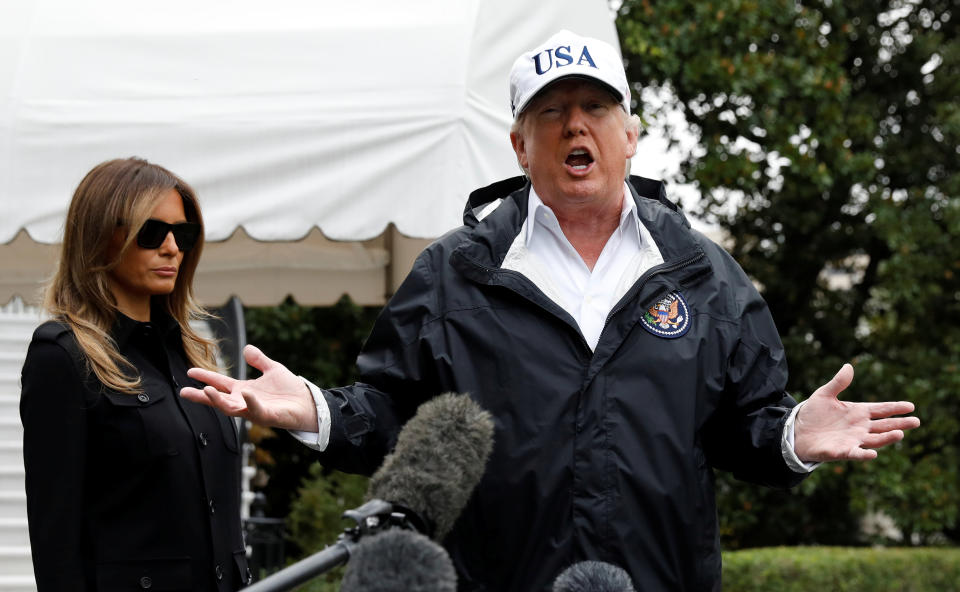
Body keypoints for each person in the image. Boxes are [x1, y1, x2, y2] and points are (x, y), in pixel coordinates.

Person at [181, 31, 920, 591]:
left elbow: (745, 426)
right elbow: (393, 415)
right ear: (519, 145)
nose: (576, 126)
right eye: (552, 111)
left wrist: (792, 434)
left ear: (629, 136)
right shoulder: (455, 273)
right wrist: (314, 410)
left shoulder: (702, 275)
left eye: (596, 107)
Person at [20, 158, 252, 591]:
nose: (171, 248)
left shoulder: (193, 355)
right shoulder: (63, 358)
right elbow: (56, 545)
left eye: (182, 234)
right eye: (151, 232)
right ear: (101, 237)